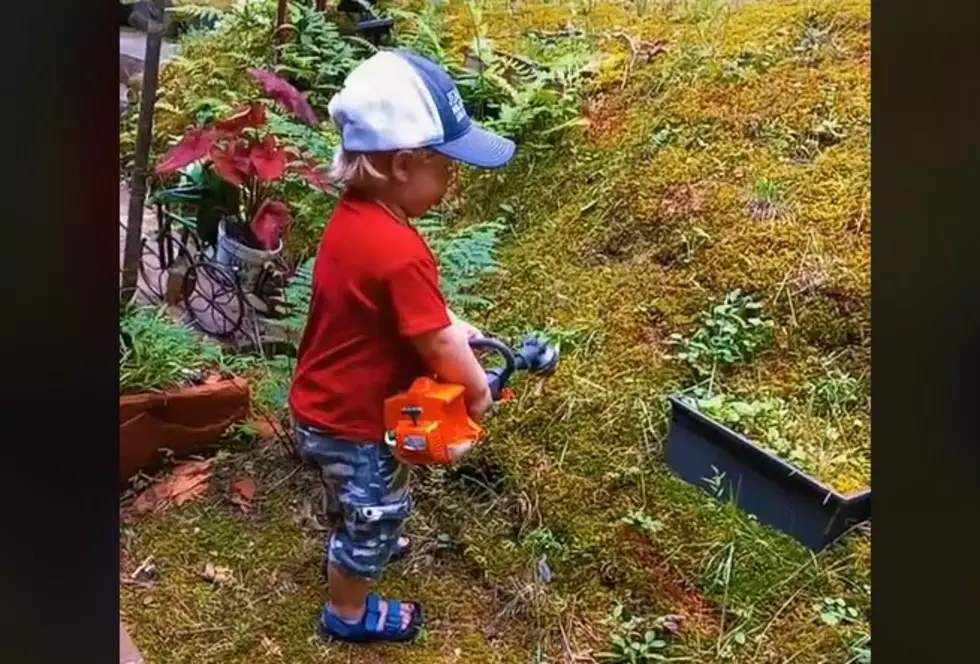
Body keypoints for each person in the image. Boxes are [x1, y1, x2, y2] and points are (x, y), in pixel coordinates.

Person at [288, 48, 517, 643]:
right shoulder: (400, 250)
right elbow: (437, 340)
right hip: (354, 420)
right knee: (375, 514)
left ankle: (358, 531)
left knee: (358, 497)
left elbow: (417, 318)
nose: (453, 179)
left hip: (323, 403)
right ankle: (349, 611)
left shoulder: (357, 219)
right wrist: (475, 391)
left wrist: (454, 327)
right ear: (403, 164)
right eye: (446, 166)